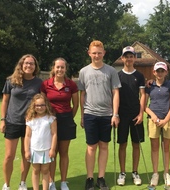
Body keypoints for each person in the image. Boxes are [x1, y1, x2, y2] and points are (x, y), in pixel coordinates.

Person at [78, 40, 121, 190]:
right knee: (91, 147)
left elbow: (116, 93)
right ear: (89, 53)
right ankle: (90, 178)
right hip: (90, 113)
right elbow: (82, 95)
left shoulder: (111, 71)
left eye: (99, 53)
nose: (97, 55)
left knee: (104, 146)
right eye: (94, 53)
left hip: (107, 115)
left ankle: (100, 178)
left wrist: (115, 114)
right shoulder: (83, 71)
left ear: (104, 53)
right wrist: (82, 116)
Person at [0, 54, 43, 190]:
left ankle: (22, 183)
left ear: (35, 67)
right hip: (12, 122)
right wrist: (2, 120)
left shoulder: (39, 83)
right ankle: (7, 184)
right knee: (9, 156)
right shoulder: (11, 81)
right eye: (26, 63)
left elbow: (41, 102)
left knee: (26, 155)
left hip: (30, 123)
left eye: (31, 64)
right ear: (21, 65)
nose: (28, 66)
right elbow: (5, 100)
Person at [41, 58, 79, 190]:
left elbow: (76, 105)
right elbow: (42, 104)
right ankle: (51, 181)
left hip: (66, 120)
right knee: (52, 152)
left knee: (64, 152)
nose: (60, 70)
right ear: (53, 68)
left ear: (65, 69)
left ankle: (63, 182)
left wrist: (68, 117)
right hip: (49, 122)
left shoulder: (71, 85)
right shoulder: (46, 84)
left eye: (62, 67)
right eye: (57, 67)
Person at [116, 46, 145, 186]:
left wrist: (141, 113)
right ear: (122, 58)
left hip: (135, 115)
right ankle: (122, 172)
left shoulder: (139, 76)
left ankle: (135, 171)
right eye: (126, 56)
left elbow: (143, 95)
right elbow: (114, 96)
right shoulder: (117, 76)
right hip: (121, 115)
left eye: (131, 56)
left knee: (136, 144)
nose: (128, 59)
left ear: (134, 58)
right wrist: (115, 114)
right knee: (122, 144)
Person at [144, 62, 170, 188]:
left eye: (162, 71)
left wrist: (165, 120)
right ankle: (155, 173)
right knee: (154, 147)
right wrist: (153, 116)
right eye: (157, 71)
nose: (160, 73)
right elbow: (144, 105)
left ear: (166, 72)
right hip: (153, 120)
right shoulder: (149, 86)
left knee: (166, 147)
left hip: (168, 120)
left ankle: (166, 173)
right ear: (154, 72)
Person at [24, 94, 57, 190]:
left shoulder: (51, 119)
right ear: (33, 106)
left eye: (42, 105)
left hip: (47, 150)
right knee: (35, 170)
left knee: (45, 171)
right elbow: (27, 136)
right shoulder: (30, 119)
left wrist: (53, 149)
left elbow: (54, 134)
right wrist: (26, 151)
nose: (40, 107)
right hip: (34, 150)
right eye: (37, 105)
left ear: (46, 105)